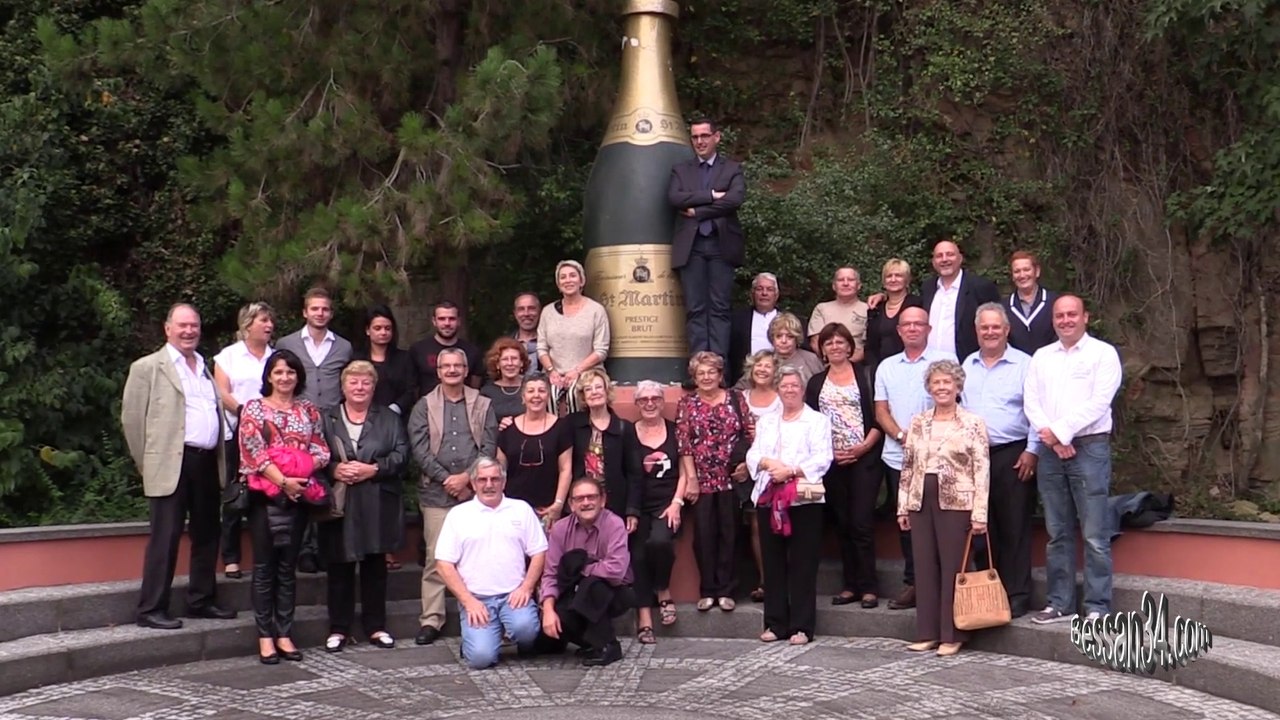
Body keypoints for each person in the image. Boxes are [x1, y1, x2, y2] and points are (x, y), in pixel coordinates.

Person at [122, 303, 237, 630]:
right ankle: (151, 608)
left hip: (205, 462)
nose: (189, 331)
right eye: (182, 325)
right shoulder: (147, 368)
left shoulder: (203, 367)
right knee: (165, 536)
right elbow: (132, 421)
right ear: (167, 328)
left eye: (194, 326)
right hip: (171, 462)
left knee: (207, 534)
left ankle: (201, 600)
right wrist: (148, 464)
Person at [1024, 295, 1123, 624]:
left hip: (1089, 448)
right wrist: (1052, 438)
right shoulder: (1042, 356)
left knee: (1095, 534)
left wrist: (1061, 432)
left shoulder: (1103, 354)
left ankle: (1097, 606)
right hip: (1051, 452)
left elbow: (1099, 402)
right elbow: (1031, 401)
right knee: (1058, 533)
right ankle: (1059, 602)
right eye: (1059, 315)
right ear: (1053, 320)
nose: (1065, 320)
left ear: (1085, 317)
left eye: (1072, 314)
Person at [238, 349, 331, 664]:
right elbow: (252, 451)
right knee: (264, 568)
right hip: (266, 496)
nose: (284, 377)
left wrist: (300, 472)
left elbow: (321, 449)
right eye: (278, 372)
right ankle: (265, 636)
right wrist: (283, 480)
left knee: (287, 569)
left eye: (290, 372)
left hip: (298, 496)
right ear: (268, 376)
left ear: (298, 376)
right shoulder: (253, 409)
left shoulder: (308, 411)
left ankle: (285, 633)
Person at [897, 360, 990, 657]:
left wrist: (980, 514)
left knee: (953, 567)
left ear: (958, 387)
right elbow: (908, 465)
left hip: (958, 502)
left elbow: (982, 469)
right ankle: (927, 632)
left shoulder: (973, 423)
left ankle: (952, 633)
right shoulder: (918, 422)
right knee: (924, 566)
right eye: (936, 383)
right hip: (920, 500)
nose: (941, 387)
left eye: (947, 382)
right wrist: (902, 506)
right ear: (929, 388)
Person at [407, 347, 497, 646]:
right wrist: (447, 478)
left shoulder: (483, 404)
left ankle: (483, 611)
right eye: (447, 366)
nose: (453, 371)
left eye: (458, 365)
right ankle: (431, 619)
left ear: (466, 369)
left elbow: (488, 445)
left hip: (476, 491)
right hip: (436, 492)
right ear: (439, 371)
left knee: (480, 554)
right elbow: (418, 449)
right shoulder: (423, 406)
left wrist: (466, 479)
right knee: (436, 557)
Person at [318, 361, 409, 652]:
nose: (359, 388)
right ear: (343, 386)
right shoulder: (326, 418)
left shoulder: (389, 419)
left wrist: (374, 469)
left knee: (374, 568)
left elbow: (402, 455)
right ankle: (338, 628)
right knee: (339, 567)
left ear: (374, 386)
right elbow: (314, 454)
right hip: (340, 503)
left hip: (376, 499)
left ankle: (376, 626)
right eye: (353, 382)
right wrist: (333, 469)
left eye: (366, 383)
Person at [873, 307, 957, 611]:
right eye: (906, 324)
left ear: (928, 328)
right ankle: (914, 583)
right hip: (898, 457)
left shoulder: (944, 362)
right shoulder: (886, 367)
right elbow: (881, 410)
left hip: (939, 460)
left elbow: (954, 406)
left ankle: (942, 584)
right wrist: (901, 436)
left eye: (918, 324)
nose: (912, 328)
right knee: (907, 524)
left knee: (940, 522)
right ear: (898, 331)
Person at [960, 303, 1040, 617]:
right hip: (974, 457)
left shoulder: (1025, 364)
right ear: (976, 332)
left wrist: (1032, 450)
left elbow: (1036, 410)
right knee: (981, 528)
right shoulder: (968, 364)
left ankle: (1018, 594)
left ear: (1006, 330)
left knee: (1014, 527)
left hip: (1013, 454)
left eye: (996, 327)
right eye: (984, 328)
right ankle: (986, 594)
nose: (990, 332)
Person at [746, 365, 834, 646]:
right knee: (772, 564)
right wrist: (769, 464)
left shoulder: (818, 421)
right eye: (784, 386)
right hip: (770, 497)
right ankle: (775, 622)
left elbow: (823, 458)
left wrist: (792, 470)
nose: (790, 390)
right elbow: (754, 453)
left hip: (803, 501)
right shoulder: (767, 421)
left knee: (803, 564)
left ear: (803, 389)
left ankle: (802, 626)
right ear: (778, 390)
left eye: (795, 385)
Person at [435, 457, 548, 670]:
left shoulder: (521, 509)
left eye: (495, 479)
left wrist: (526, 587)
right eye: (483, 480)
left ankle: (510, 637)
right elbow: (444, 563)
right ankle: (478, 639)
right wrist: (468, 601)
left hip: (513, 596)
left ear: (504, 482)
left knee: (526, 629)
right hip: (477, 599)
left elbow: (539, 551)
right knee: (480, 659)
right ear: (473, 483)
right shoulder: (458, 515)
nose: (489, 485)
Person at [805, 323, 883, 608]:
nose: (835, 347)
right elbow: (811, 423)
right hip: (832, 460)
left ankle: (869, 585)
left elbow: (879, 416)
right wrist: (829, 453)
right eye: (829, 343)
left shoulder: (866, 375)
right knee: (843, 524)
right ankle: (850, 585)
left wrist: (863, 446)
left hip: (865, 457)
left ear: (850, 346)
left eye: (840, 342)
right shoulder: (815, 382)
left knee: (861, 522)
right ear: (822, 349)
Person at [676, 352, 753, 612]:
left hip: (731, 476)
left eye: (712, 372)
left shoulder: (737, 398)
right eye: (701, 373)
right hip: (703, 479)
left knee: (730, 534)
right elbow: (684, 445)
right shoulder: (687, 404)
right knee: (704, 536)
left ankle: (727, 590)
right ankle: (708, 590)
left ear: (721, 375)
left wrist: (746, 464)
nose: (707, 377)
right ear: (694, 378)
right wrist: (692, 479)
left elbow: (750, 433)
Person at [668, 118, 747, 358]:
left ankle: (718, 369)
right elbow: (675, 198)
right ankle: (699, 368)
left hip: (721, 245)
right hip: (691, 247)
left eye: (704, 136)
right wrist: (712, 195)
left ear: (716, 137)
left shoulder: (732, 169)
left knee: (720, 309)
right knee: (695, 309)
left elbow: (734, 200)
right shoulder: (681, 170)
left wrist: (699, 210)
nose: (700, 141)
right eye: (695, 137)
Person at [539, 476, 635, 667]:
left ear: (602, 500)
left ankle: (609, 645)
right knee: (559, 616)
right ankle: (591, 642)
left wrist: (581, 569)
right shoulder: (559, 529)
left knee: (591, 585)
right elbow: (551, 574)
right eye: (580, 499)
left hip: (617, 592)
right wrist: (547, 609)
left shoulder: (615, 524)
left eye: (591, 497)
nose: (586, 503)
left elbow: (615, 571)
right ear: (571, 504)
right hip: (575, 592)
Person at [212, 302, 275, 581]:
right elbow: (220, 391)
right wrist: (245, 413)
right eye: (263, 320)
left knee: (267, 494)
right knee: (235, 496)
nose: (269, 325)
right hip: (237, 432)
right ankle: (231, 557)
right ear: (247, 325)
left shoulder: (276, 357)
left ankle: (269, 553)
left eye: (270, 320)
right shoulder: (229, 356)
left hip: (271, 435)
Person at [626, 381, 688, 639]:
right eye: (644, 400)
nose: (649, 403)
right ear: (637, 404)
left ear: (662, 402)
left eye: (654, 398)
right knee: (638, 555)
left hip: (667, 503)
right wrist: (630, 510)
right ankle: (644, 617)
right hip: (637, 504)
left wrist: (677, 502)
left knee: (660, 543)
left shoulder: (675, 431)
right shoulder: (628, 433)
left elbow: (686, 471)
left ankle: (662, 589)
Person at [497, 373, 573, 531]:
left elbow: (565, 469)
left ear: (548, 396)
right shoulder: (508, 428)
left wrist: (557, 505)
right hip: (513, 509)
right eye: (531, 391)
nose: (536, 396)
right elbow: (500, 470)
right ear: (523, 396)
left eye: (542, 391)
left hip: (548, 510)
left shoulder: (562, 427)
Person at [734, 349, 781, 603]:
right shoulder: (740, 397)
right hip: (747, 466)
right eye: (758, 366)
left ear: (776, 372)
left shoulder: (782, 398)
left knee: (777, 522)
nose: (762, 370)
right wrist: (743, 462)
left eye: (768, 366)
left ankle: (780, 576)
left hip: (774, 467)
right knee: (755, 524)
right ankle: (764, 579)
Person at [566, 367, 642, 523]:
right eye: (588, 389)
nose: (594, 392)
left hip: (614, 504)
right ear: (583, 397)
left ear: (607, 392)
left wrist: (632, 511)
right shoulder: (572, 424)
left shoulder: (624, 428)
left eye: (599, 387)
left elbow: (635, 474)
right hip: (581, 503)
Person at [536, 260, 611, 416]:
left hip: (587, 372)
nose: (568, 280)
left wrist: (577, 371)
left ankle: (578, 435)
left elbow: (601, 350)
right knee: (548, 394)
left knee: (574, 394)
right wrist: (551, 371)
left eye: (572, 276)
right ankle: (553, 436)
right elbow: (541, 348)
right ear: (558, 284)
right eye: (563, 277)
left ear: (581, 280)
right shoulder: (548, 312)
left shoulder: (596, 310)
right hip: (554, 372)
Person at [920, 239, 1000, 362]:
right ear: (934, 262)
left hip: (967, 364)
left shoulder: (980, 287)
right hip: (930, 366)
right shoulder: (927, 288)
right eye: (939, 256)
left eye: (950, 254)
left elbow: (997, 325)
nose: (945, 259)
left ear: (960, 258)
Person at [273, 287, 353, 411]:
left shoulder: (344, 347)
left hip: (333, 418)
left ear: (331, 314)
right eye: (314, 309)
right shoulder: (286, 344)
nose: (320, 313)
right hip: (296, 416)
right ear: (305, 312)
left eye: (325, 309)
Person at [410, 301, 485, 396]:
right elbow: (411, 387)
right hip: (427, 407)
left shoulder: (472, 351)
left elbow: (476, 385)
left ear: (459, 321)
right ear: (434, 321)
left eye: (452, 319)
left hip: (463, 407)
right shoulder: (418, 350)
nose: (447, 323)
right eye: (442, 319)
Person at [354, 305, 416, 417]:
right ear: (368, 330)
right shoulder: (357, 359)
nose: (383, 332)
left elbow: (410, 391)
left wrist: (394, 409)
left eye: (387, 328)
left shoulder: (404, 358)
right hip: (362, 417)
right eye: (377, 328)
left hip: (397, 418)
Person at [864, 258, 924, 372]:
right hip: (880, 369)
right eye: (889, 276)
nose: (893, 279)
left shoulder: (917, 304)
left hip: (911, 367)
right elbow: (870, 345)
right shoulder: (876, 307)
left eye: (898, 275)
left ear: (907, 280)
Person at [728, 272, 781, 385]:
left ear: (776, 295)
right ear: (752, 294)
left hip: (779, 377)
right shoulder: (737, 319)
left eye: (769, 289)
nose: (764, 293)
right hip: (746, 379)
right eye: (759, 289)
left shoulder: (787, 319)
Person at [807, 267, 869, 363]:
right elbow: (815, 341)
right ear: (834, 286)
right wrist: (832, 362)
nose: (845, 283)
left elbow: (869, 346)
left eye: (851, 280)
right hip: (826, 365)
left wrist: (845, 364)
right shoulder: (821, 309)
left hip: (859, 366)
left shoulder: (868, 310)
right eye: (840, 280)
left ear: (859, 285)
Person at [1007, 251, 1060, 355]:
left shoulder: (1055, 302)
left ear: (1037, 272)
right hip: (1018, 368)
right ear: (1012, 276)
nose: (1022, 275)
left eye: (1026, 270)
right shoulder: (1004, 308)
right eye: (1017, 271)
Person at [481, 337, 531, 422]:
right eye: (505, 359)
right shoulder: (486, 392)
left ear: (521, 362)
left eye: (514, 359)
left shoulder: (532, 388)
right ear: (497, 364)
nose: (510, 363)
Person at [766, 312, 824, 384]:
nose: (784, 341)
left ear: (797, 338)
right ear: (772, 338)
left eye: (790, 336)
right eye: (779, 336)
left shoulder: (811, 359)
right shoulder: (764, 361)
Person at [512, 291, 543, 374]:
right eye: (521, 309)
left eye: (531, 308)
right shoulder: (505, 345)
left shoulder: (551, 343)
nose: (526, 314)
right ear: (515, 314)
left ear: (540, 311)